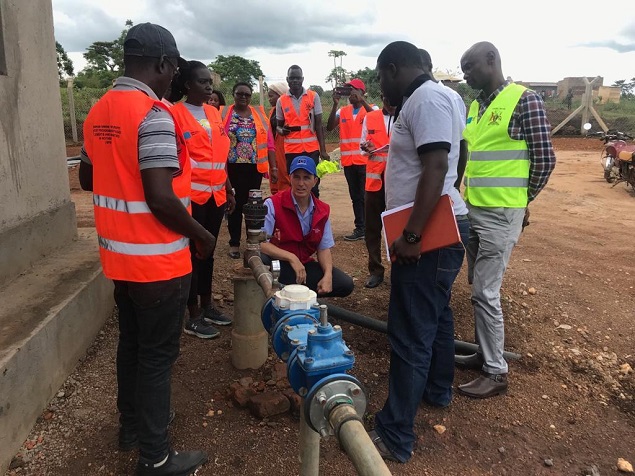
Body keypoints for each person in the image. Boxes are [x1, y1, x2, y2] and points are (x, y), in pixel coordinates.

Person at [78, 22, 211, 475]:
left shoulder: (98, 112)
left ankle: (132, 427)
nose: (172, 76)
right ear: (161, 64)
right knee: (157, 358)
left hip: (119, 259)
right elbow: (159, 196)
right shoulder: (153, 115)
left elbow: (88, 179)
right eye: (172, 68)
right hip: (159, 262)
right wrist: (201, 234)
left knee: (132, 344)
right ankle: (155, 458)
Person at [368, 40, 470, 464]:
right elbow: (456, 159)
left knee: (410, 331)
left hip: (426, 232)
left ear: (393, 69)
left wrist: (411, 236)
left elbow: (436, 166)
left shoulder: (424, 98)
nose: (381, 87)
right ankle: (437, 390)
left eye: (381, 77)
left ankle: (395, 434)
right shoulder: (449, 96)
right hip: (443, 222)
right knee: (438, 316)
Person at [455, 41, 556, 398]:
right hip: (474, 208)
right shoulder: (476, 106)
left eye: (469, 68)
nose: (466, 76)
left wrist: (521, 202)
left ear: (492, 60)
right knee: (477, 287)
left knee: (485, 290)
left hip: (501, 214)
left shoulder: (524, 100)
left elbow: (545, 159)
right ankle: (484, 353)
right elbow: (470, 156)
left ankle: (496, 372)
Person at [169, 60, 235, 339]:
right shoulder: (175, 114)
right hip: (190, 198)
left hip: (216, 196)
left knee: (208, 252)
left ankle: (208, 305)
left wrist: (229, 188)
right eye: (202, 81)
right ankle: (192, 314)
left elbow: (220, 156)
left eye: (210, 81)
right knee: (193, 255)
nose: (209, 86)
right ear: (187, 85)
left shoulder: (213, 112)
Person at [260, 156, 354, 298]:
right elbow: (261, 244)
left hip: (303, 267)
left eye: (307, 177)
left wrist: (327, 275)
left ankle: (301, 297)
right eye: (296, 177)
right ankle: (277, 295)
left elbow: (323, 248)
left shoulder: (322, 210)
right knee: (260, 261)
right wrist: (292, 258)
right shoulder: (273, 204)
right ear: (289, 178)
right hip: (280, 265)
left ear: (315, 181)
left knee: (344, 284)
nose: (301, 183)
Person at [221, 82, 277, 259]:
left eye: (247, 94)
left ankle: (252, 242)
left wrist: (274, 167)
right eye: (240, 94)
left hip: (254, 169)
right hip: (232, 168)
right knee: (234, 205)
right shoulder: (223, 113)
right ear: (233, 94)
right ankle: (234, 243)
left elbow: (269, 144)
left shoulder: (259, 114)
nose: (243, 97)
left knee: (253, 206)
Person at [326, 79, 379, 241]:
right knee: (355, 196)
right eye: (348, 90)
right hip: (349, 163)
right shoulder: (342, 111)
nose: (351, 94)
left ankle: (370, 228)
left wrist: (362, 102)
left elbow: (377, 120)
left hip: (365, 162)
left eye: (354, 90)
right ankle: (360, 228)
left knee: (366, 196)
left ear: (362, 92)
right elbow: (329, 128)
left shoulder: (372, 108)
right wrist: (335, 104)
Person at [276, 65, 330, 197]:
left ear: (303, 79)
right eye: (292, 78)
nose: (295, 80)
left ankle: (313, 214)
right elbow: (277, 126)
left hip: (311, 149)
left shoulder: (313, 96)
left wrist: (322, 150)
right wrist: (281, 130)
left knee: (312, 184)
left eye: (298, 78)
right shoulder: (281, 101)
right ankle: (296, 215)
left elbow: (318, 125)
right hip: (292, 150)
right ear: (287, 79)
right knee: (295, 185)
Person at [419, 48, 468, 191]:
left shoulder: (451, 97)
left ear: (428, 67)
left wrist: (456, 186)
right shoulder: (415, 98)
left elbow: (461, 144)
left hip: (445, 185)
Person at [359, 94, 395, 288]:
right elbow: (361, 148)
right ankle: (376, 270)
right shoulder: (370, 117)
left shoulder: (405, 116)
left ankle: (398, 270)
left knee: (396, 227)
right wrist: (366, 147)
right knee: (372, 228)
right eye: (387, 98)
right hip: (374, 183)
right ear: (382, 97)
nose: (390, 103)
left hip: (397, 184)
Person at [267, 82, 291, 194]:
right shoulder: (272, 112)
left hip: (284, 149)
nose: (269, 99)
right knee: (274, 175)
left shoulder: (288, 111)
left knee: (285, 177)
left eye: (271, 96)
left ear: (281, 95)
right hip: (273, 149)